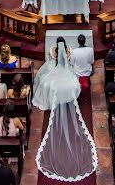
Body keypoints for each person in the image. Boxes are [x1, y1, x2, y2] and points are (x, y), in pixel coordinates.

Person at [34, 40, 97, 180]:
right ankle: (65, 99)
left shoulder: (50, 67)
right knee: (73, 83)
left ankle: (56, 100)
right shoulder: (70, 71)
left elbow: (42, 80)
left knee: (46, 83)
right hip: (67, 89)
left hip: (56, 88)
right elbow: (76, 82)